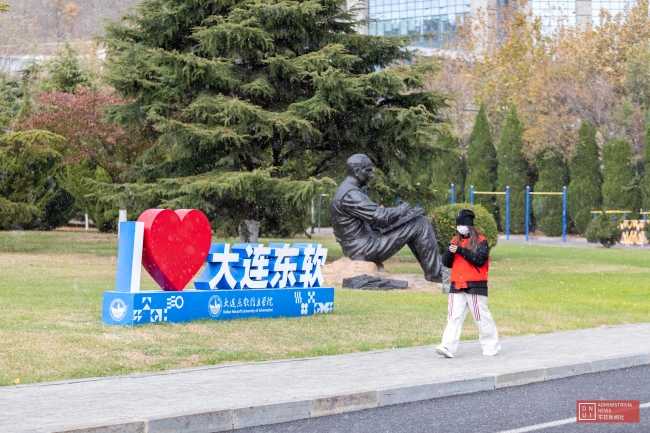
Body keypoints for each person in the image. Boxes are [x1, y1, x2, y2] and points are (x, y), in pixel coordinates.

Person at [330, 154, 442, 282]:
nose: (371, 175)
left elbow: (374, 219)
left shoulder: (348, 190)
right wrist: (401, 210)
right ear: (356, 171)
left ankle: (433, 271)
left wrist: (400, 217)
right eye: (368, 170)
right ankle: (436, 274)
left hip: (359, 245)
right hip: (363, 249)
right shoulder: (351, 194)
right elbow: (380, 217)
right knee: (421, 223)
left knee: (414, 222)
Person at [436, 209, 501, 358]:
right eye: (458, 224)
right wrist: (449, 251)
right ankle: (447, 346)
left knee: (481, 317)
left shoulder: (481, 241)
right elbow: (446, 263)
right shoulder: (454, 241)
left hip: (475, 285)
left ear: (469, 225)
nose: (460, 227)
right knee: (453, 316)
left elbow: (480, 260)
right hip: (456, 284)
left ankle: (491, 345)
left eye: (462, 224)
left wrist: (461, 250)